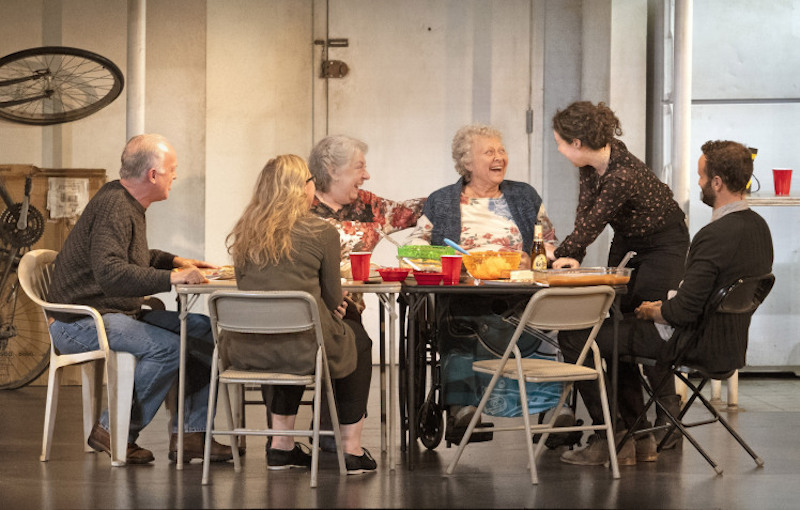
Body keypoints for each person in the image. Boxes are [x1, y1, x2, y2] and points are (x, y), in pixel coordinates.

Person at [559, 140, 773, 467]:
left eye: (702, 176)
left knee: (577, 336)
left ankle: (612, 439)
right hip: (729, 342)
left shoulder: (714, 235)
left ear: (717, 182)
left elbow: (682, 311)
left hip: (692, 342)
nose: (699, 182)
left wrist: (654, 309)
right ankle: (637, 439)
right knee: (618, 334)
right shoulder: (760, 228)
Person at [46, 134, 233, 464]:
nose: (175, 176)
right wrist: (172, 278)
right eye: (172, 170)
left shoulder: (126, 202)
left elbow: (134, 255)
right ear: (153, 174)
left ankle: (191, 434)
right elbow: (111, 273)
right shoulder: (115, 206)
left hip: (112, 312)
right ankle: (112, 430)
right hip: (80, 321)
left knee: (201, 330)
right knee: (168, 348)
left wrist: (176, 262)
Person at [410, 124, 567, 444]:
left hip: (520, 294)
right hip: (464, 294)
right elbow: (414, 249)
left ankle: (553, 409)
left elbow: (550, 244)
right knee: (459, 317)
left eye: (501, 150)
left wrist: (535, 257)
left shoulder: (524, 195)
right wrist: (457, 262)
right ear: (467, 162)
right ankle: (463, 409)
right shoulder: (441, 201)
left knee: (546, 323)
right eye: (489, 152)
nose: (499, 157)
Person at [552, 101, 690, 456]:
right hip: (629, 241)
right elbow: (586, 214)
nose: (558, 149)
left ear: (578, 143)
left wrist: (561, 253)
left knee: (647, 321)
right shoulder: (593, 165)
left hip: (664, 244)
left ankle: (667, 419)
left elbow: (595, 220)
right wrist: (572, 254)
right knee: (616, 323)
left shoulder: (621, 174)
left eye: (560, 142)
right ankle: (633, 428)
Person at [224, 154, 376, 474]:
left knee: (284, 331)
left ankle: (281, 445)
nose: (314, 186)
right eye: (310, 180)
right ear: (300, 189)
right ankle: (350, 448)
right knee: (357, 339)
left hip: (246, 347)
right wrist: (332, 300)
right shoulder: (321, 232)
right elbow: (334, 297)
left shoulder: (244, 232)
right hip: (304, 343)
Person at [306, 134, 425, 449]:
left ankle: (340, 435)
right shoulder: (299, 206)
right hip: (305, 307)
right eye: (359, 167)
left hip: (346, 310)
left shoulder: (367, 206)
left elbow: (410, 212)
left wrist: (457, 194)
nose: (366, 175)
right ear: (333, 170)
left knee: (356, 340)